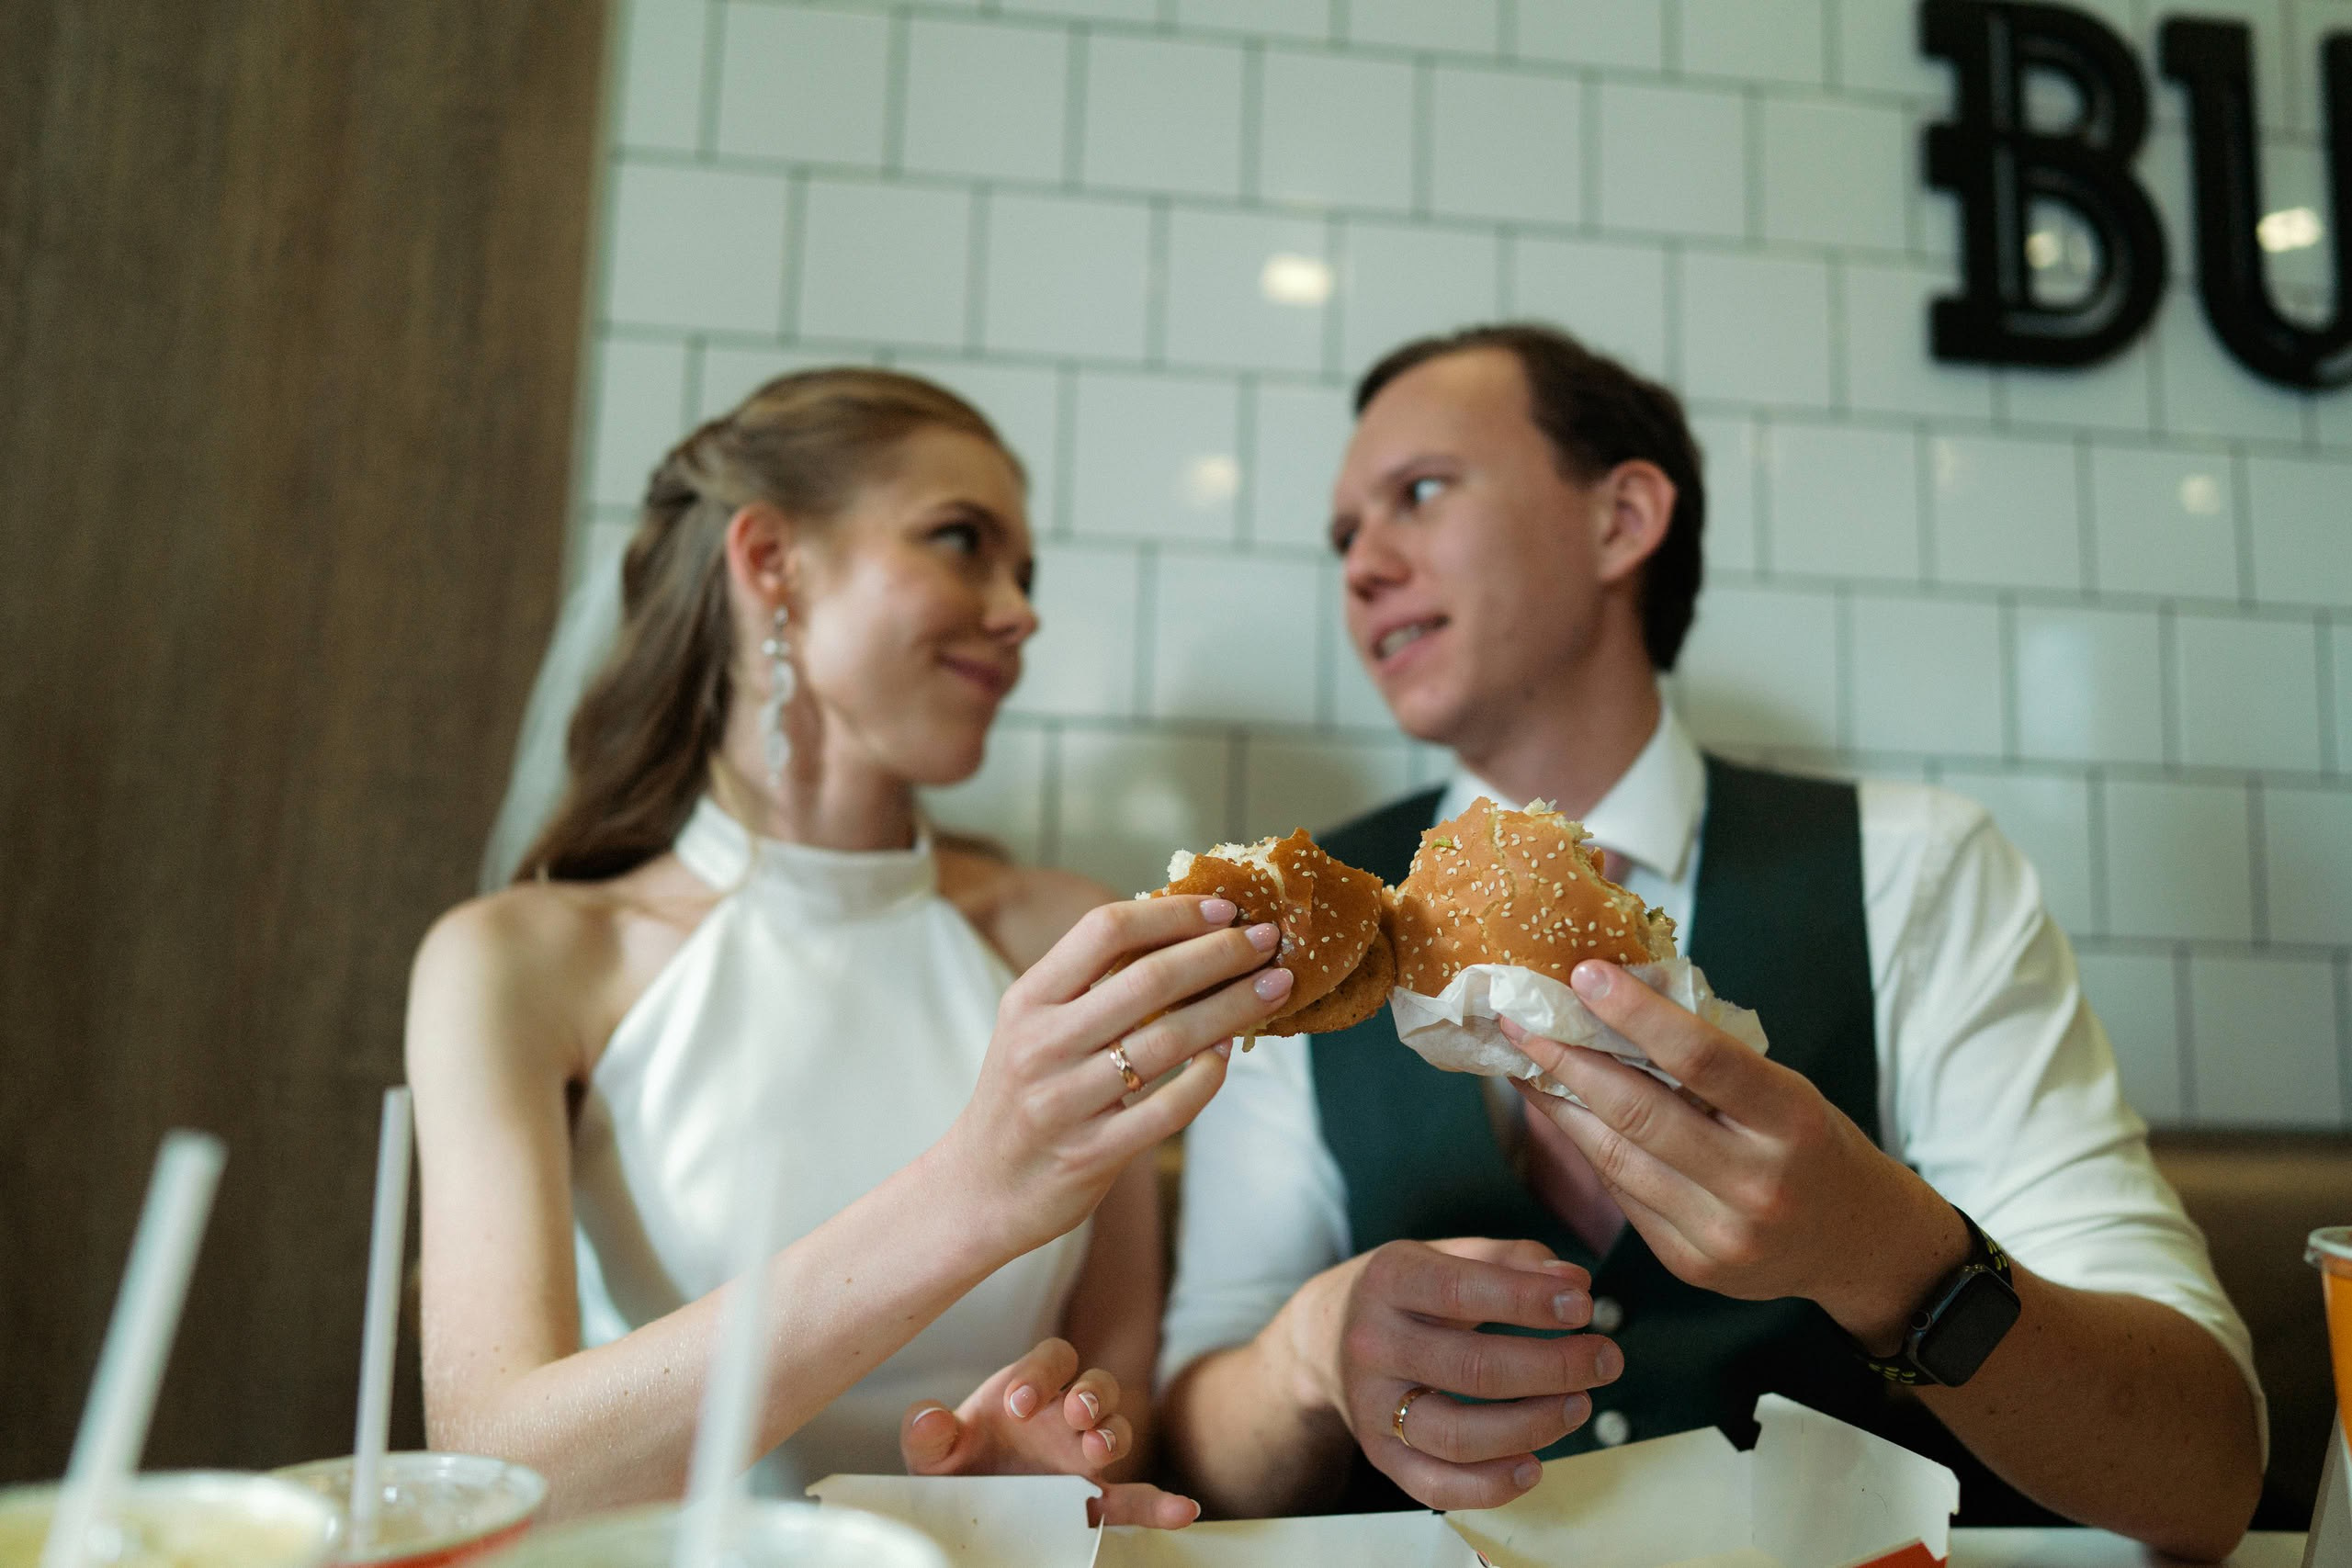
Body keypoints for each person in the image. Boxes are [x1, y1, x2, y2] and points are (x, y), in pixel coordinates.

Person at [1156, 324, 2267, 1561]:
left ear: (1623, 518)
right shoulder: (1310, 929)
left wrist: (1883, 1249)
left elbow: (2207, 1466)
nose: (1362, 564)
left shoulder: (1918, 869)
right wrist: (1309, 1351)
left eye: (1418, 491)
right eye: (1344, 535)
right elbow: (1197, 1449)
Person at [406, 368, 1300, 1522]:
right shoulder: (518, 963)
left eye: (1024, 574)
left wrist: (1059, 1461)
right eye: (961, 542)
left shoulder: (1070, 937)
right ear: (771, 560)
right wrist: (976, 1189)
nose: (1018, 609)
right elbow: (493, 1469)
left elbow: (1115, 1393)